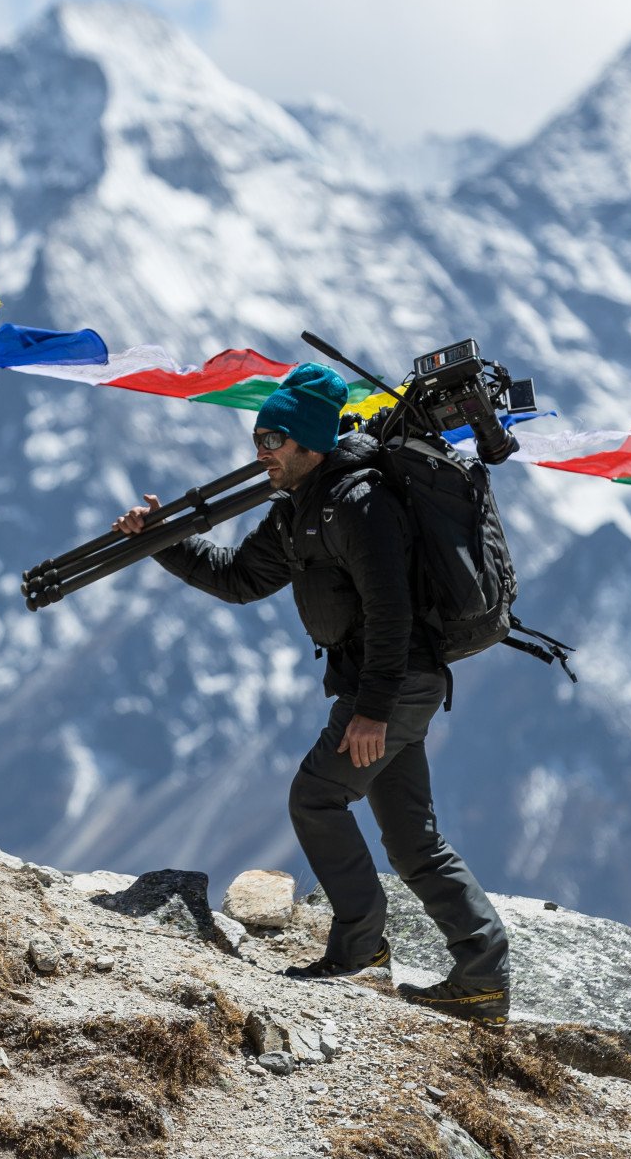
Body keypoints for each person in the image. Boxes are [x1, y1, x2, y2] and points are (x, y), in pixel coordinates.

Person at [112, 361, 511, 1023]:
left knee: (316, 798)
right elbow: (238, 578)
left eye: (273, 440)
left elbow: (391, 612)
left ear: (311, 444)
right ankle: (481, 977)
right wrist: (158, 538)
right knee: (411, 837)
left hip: (392, 684)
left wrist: (372, 712)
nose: (261, 453)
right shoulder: (297, 510)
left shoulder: (360, 505)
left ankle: (361, 951)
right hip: (387, 683)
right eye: (257, 439)